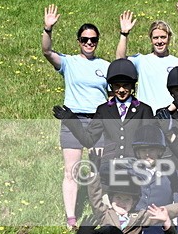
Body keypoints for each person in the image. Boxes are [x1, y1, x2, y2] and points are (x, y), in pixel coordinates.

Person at [42, 4, 109, 228]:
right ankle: (71, 217)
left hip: (98, 121)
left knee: (99, 168)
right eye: (84, 39)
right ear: (78, 41)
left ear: (98, 41)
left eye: (93, 40)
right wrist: (48, 29)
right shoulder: (69, 62)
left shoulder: (104, 66)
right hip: (73, 119)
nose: (89, 43)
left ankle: (103, 210)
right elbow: (47, 52)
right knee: (71, 169)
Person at [53, 58, 154, 190]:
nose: (122, 90)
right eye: (117, 86)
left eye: (126, 85)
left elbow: (150, 141)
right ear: (111, 86)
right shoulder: (104, 110)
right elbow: (89, 140)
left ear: (132, 85)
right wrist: (72, 120)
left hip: (135, 169)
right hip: (110, 169)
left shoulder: (143, 110)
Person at [116, 12, 178, 114]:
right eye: (155, 38)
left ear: (169, 38)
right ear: (151, 40)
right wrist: (124, 34)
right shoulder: (142, 60)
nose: (159, 41)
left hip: (170, 114)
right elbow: (120, 60)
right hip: (145, 115)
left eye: (163, 37)